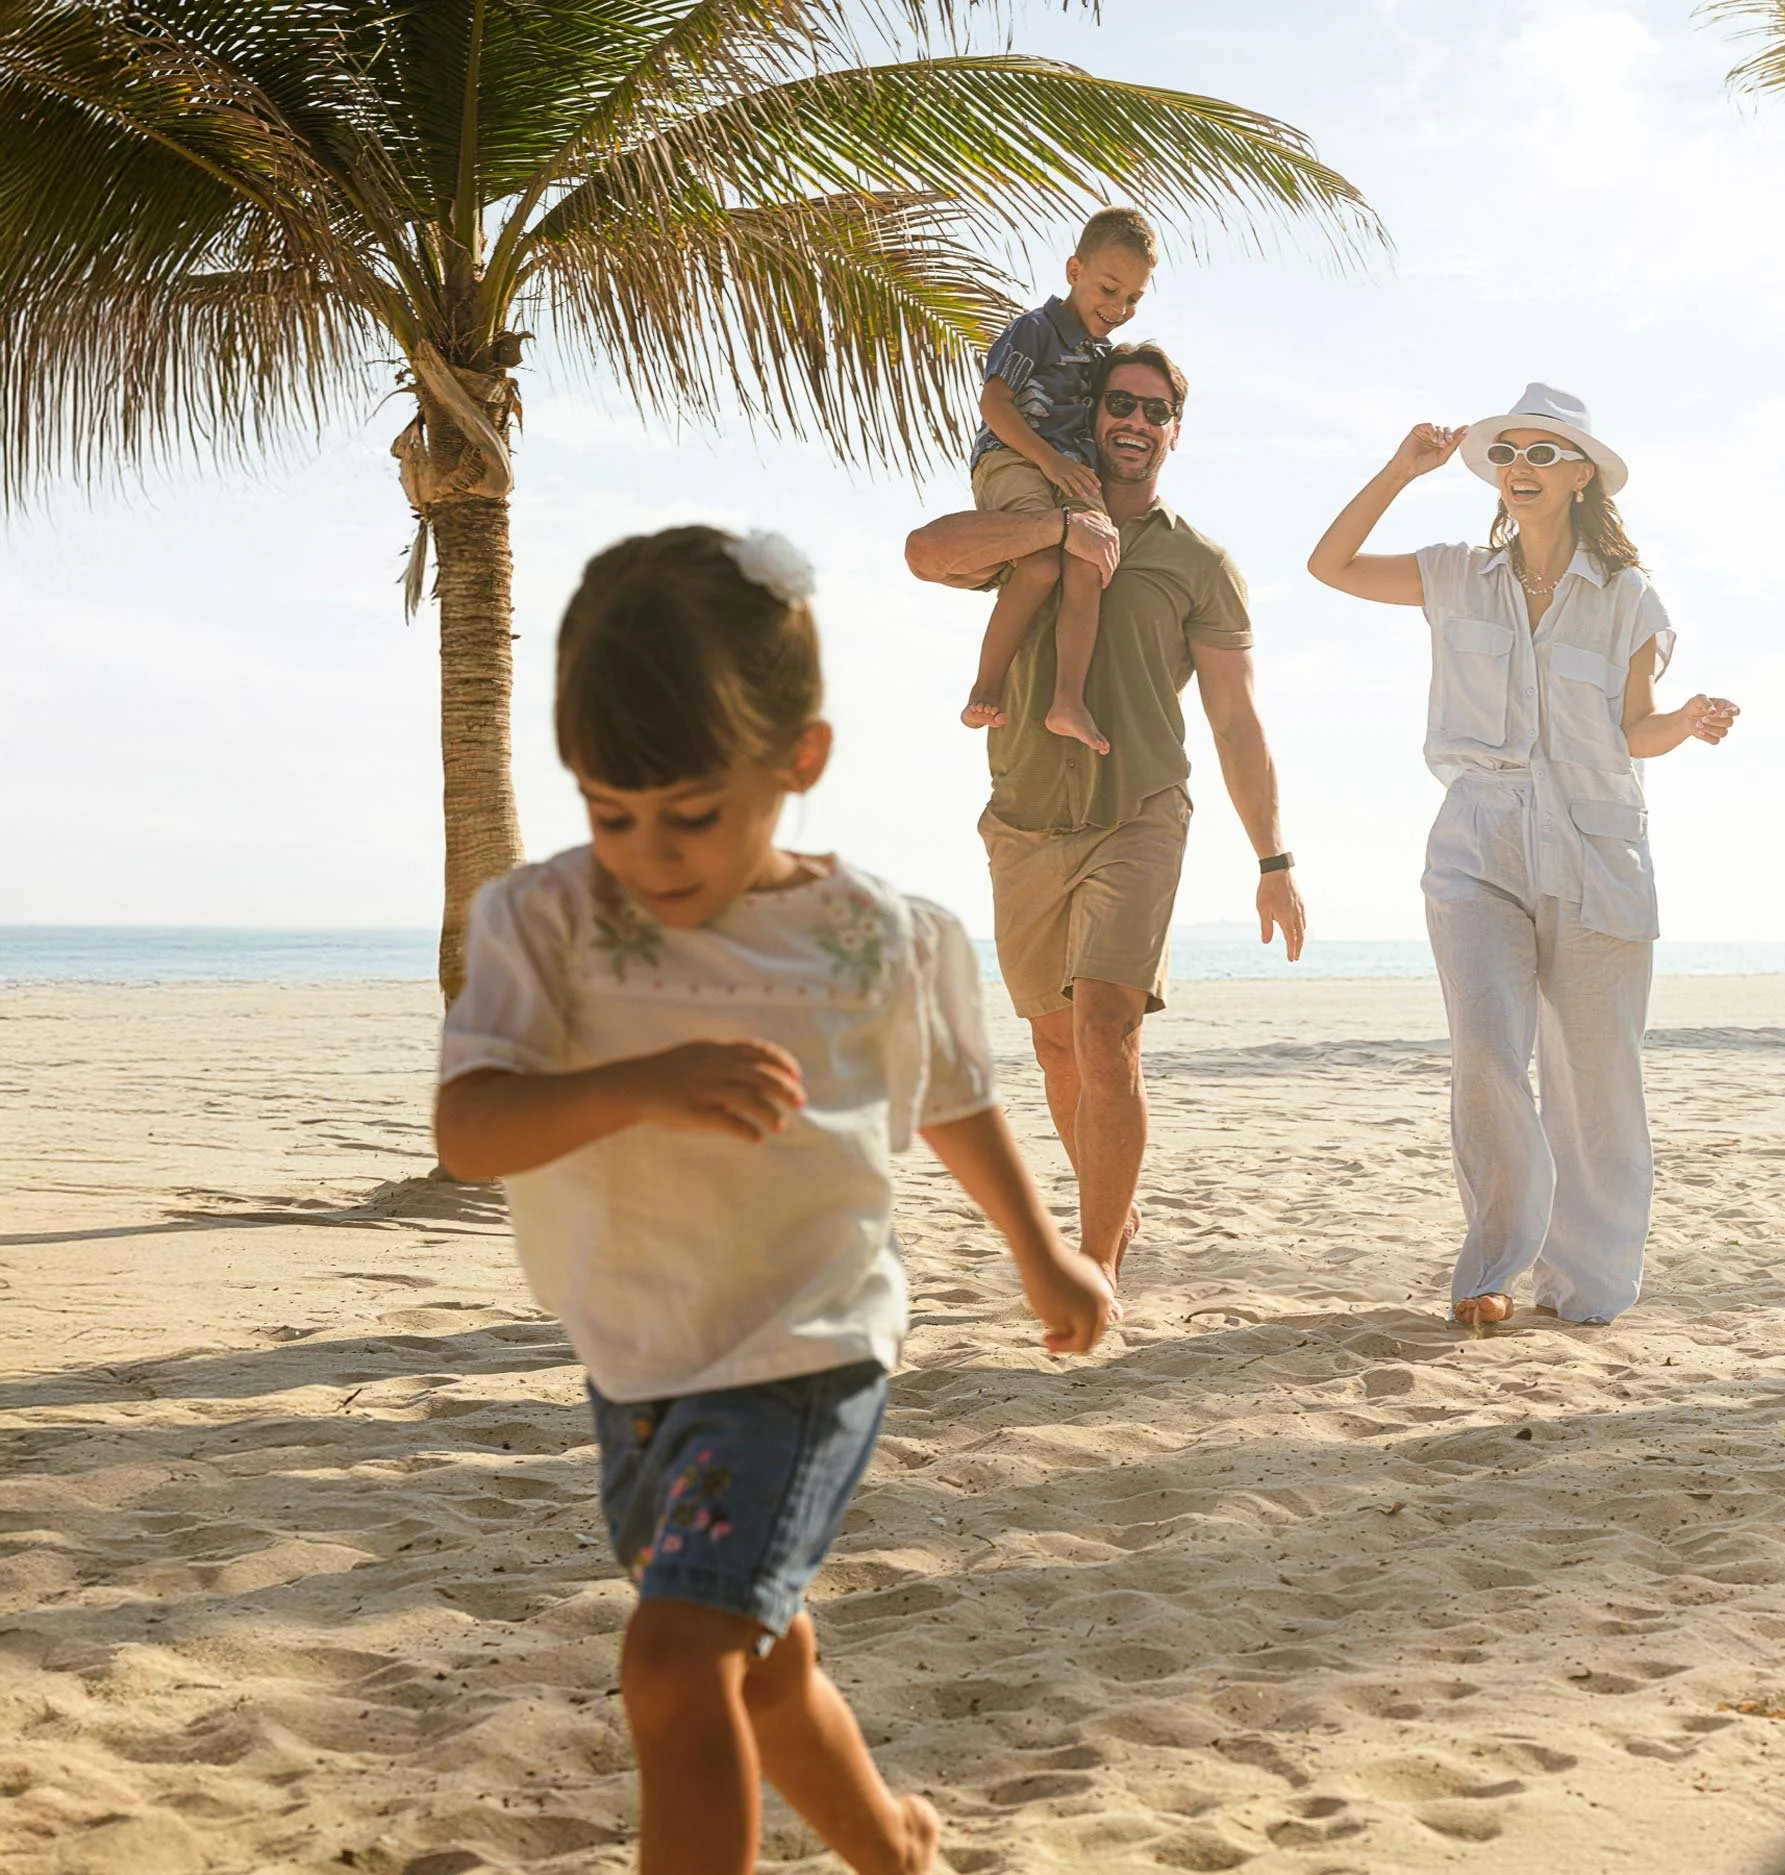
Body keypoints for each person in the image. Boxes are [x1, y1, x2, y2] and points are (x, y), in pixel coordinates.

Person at [432, 525, 1114, 1875]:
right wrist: (645, 1079)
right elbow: (471, 1128)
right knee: (761, 1660)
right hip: (635, 1360)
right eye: (607, 810)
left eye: (692, 813)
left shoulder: (878, 931)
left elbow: (950, 1098)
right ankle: (895, 1846)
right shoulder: (544, 921)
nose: (649, 851)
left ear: (798, 760)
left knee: (676, 1660)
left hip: (808, 1346)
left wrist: (1045, 1254)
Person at [1308, 384, 1739, 1328]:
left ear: (1582, 475)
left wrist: (1688, 721)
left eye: (1545, 454)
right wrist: (1401, 469)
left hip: (1596, 849)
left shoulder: (1630, 599)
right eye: (1510, 453)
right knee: (1488, 1054)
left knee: (1595, 1078)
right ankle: (1491, 1269)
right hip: (1478, 840)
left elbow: (1635, 729)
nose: (1522, 469)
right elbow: (1328, 564)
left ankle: (1585, 1285)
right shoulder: (1457, 574)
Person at [904, 341, 1306, 1295]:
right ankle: (1109, 1208)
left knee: (1106, 1028)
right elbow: (927, 553)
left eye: (1155, 410)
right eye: (1121, 403)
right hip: (1023, 817)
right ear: (1094, 415)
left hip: (1139, 811)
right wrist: (1048, 535)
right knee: (1051, 1041)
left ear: (1175, 429)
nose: (1135, 422)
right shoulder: (1028, 523)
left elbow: (1235, 718)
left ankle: (1095, 1268)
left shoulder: (1198, 562)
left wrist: (1273, 858)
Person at [960, 207, 1158, 755]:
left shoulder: (1100, 354)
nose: (1118, 308)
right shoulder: (1036, 329)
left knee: (1088, 564)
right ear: (1074, 271)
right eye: (1108, 289)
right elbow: (994, 405)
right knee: (1041, 564)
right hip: (1015, 458)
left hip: (1070, 474)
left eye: (1133, 299)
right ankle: (986, 684)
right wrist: (1048, 462)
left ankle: (1067, 701)